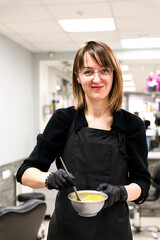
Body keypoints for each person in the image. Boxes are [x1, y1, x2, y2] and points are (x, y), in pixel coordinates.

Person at [16, 40, 151, 240]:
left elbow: (142, 184)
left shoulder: (132, 125)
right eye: (88, 71)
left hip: (113, 229)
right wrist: (48, 179)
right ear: (78, 77)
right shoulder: (63, 119)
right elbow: (25, 172)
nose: (97, 78)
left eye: (104, 70)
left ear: (114, 75)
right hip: (67, 229)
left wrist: (120, 192)